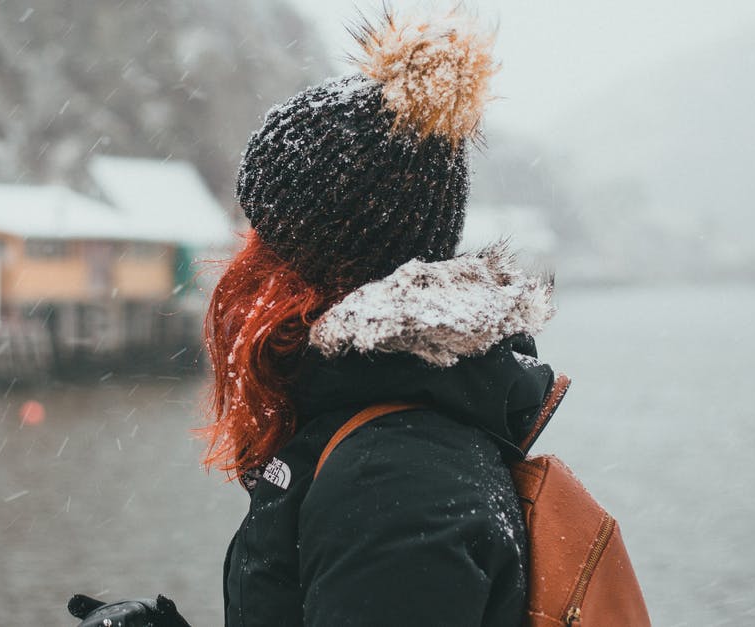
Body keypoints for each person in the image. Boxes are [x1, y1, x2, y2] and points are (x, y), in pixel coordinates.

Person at [71, 9, 563, 626]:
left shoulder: (392, 484)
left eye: (261, 234)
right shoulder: (387, 440)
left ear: (307, 270)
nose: (237, 257)